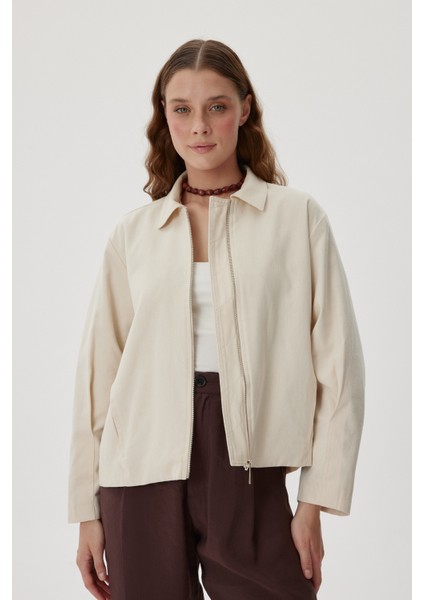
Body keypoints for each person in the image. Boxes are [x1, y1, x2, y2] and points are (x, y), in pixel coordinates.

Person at [67, 39, 365, 600]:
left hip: (248, 462)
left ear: (245, 109)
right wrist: (87, 509)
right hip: (139, 464)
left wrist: (314, 499)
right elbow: (98, 377)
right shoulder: (134, 235)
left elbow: (339, 364)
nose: (199, 126)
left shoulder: (296, 219)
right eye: (182, 109)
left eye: (217, 106)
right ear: (164, 117)